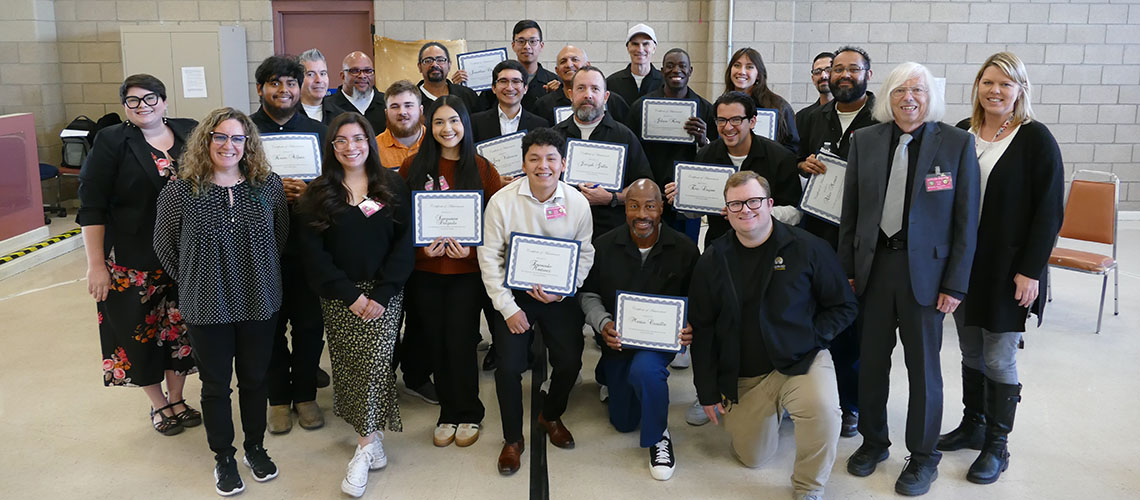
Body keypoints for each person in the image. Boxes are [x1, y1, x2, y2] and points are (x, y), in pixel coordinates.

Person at [838, 62, 979, 497]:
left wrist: (955, 284)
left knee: (924, 371)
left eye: (916, 90)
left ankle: (922, 457)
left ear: (929, 96)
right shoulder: (866, 141)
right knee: (872, 364)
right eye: (899, 90)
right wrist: (847, 270)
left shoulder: (956, 144)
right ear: (888, 97)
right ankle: (874, 442)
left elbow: (966, 222)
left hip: (928, 278)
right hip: (874, 271)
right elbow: (852, 213)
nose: (908, 98)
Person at [690, 170, 858, 500]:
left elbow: (844, 306)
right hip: (745, 374)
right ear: (725, 210)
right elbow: (703, 328)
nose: (745, 210)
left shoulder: (809, 248)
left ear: (769, 204)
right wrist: (707, 391)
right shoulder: (712, 260)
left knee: (823, 410)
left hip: (801, 360)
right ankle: (775, 413)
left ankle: (809, 486)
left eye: (753, 201)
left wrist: (812, 336)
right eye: (735, 204)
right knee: (753, 458)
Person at [937, 52, 1064, 485]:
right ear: (977, 85)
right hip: (964, 266)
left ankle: (997, 444)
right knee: (970, 349)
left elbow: (1049, 212)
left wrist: (1031, 270)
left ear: (1020, 91)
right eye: (988, 82)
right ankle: (973, 424)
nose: (995, 90)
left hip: (1009, 268)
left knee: (999, 354)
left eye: (1006, 84)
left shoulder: (1035, 139)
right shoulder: (960, 133)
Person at [153, 108, 289, 496]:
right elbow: (164, 246)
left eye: (237, 138)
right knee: (215, 385)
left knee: (254, 379)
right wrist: (197, 281)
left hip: (259, 300)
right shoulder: (181, 189)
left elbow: (280, 239)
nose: (229, 146)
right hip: (206, 304)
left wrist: (254, 273)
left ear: (249, 144)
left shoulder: (268, 186)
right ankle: (224, 457)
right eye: (220, 137)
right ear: (206, 141)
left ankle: (255, 447)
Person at [295, 113, 413, 498]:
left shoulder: (391, 184)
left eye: (358, 138)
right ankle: (371, 439)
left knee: (377, 362)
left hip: (384, 295)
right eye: (341, 141)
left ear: (370, 142)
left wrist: (379, 295)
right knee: (350, 364)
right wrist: (351, 296)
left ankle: (363, 449)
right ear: (331, 147)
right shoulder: (318, 194)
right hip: (340, 295)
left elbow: (404, 243)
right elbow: (314, 255)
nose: (351, 147)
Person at [78, 74, 200, 436]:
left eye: (150, 98)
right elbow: (92, 206)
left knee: (180, 332)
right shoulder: (113, 141)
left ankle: (177, 398)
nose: (143, 106)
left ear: (163, 101)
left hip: (184, 260)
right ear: (125, 107)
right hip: (132, 261)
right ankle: (158, 404)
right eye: (133, 101)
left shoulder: (189, 132)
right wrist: (95, 265)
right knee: (139, 335)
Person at [477, 128, 595, 476]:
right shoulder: (502, 200)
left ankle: (550, 414)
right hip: (515, 298)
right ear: (524, 162)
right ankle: (512, 439)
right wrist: (508, 308)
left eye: (550, 159)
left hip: (560, 296)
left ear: (563, 163)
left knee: (570, 361)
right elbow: (489, 257)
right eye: (534, 158)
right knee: (509, 366)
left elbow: (585, 253)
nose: (542, 166)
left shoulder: (576, 202)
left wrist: (566, 288)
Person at [400, 96, 504, 449]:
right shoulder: (412, 167)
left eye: (455, 121)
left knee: (461, 341)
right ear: (430, 127)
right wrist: (420, 246)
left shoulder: (482, 168)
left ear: (466, 125)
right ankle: (447, 411)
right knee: (436, 341)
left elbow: (496, 224)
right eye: (440, 122)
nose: (448, 129)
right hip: (425, 270)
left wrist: (473, 249)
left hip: (466, 272)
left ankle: (469, 412)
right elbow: (400, 222)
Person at [580, 179, 699, 480]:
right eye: (634, 206)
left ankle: (659, 436)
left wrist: (690, 325)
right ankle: (608, 373)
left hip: (660, 343)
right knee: (623, 422)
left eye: (649, 206)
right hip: (619, 340)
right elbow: (588, 294)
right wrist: (602, 323)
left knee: (645, 371)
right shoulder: (604, 246)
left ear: (661, 208)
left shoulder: (684, 249)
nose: (641, 214)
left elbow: (699, 299)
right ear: (625, 208)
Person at [795, 45, 879, 439]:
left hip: (862, 242)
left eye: (851, 69)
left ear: (868, 74)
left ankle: (852, 406)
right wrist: (801, 163)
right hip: (817, 235)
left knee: (852, 326)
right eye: (837, 69)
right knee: (813, 316)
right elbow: (793, 158)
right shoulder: (811, 117)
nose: (843, 75)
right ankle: (808, 397)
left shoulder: (884, 120)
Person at [248, 55, 331, 435]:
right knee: (268, 325)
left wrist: (310, 190)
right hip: (258, 246)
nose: (284, 91)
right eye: (274, 83)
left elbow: (335, 185)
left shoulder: (318, 130)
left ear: (300, 89)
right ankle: (278, 399)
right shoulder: (244, 130)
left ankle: (305, 396)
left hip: (308, 244)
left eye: (290, 84)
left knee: (310, 324)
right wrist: (266, 190)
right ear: (261, 88)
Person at [665, 91, 800, 245]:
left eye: (736, 120)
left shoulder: (780, 157)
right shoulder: (706, 155)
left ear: (752, 121)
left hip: (768, 244)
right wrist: (682, 198)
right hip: (720, 245)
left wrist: (755, 213)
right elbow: (696, 213)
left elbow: (795, 214)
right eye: (721, 120)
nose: (728, 127)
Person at [624, 47, 716, 242]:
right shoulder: (641, 107)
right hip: (649, 192)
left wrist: (703, 141)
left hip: (687, 198)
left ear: (691, 70)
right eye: (670, 66)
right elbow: (630, 151)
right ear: (662, 70)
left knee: (685, 252)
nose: (676, 70)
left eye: (682, 66)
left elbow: (715, 158)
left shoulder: (705, 109)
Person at [552, 65, 654, 238]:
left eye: (595, 89)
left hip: (610, 232)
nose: (588, 95)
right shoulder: (554, 137)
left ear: (606, 97)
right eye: (581, 88)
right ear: (570, 94)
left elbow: (645, 187)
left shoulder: (623, 136)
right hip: (562, 229)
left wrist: (612, 197)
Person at [467, 20, 558, 112]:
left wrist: (555, 96)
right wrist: (461, 86)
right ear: (513, 45)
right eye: (521, 41)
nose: (527, 46)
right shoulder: (497, 79)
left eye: (532, 41)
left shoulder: (553, 83)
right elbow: (479, 112)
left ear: (541, 45)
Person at [724, 47, 799, 152]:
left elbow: (792, 147)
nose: (741, 71)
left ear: (758, 74)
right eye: (737, 65)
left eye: (749, 67)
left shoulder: (779, 106)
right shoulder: (722, 106)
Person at [533, 45, 631, 125]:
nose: (569, 65)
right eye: (563, 61)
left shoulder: (613, 101)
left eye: (575, 59)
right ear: (557, 71)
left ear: (587, 65)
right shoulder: (544, 105)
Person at [471, 59, 550, 144]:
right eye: (503, 81)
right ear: (494, 88)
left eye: (516, 81)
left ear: (525, 88)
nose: (509, 88)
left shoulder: (540, 125)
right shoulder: (476, 122)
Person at [324, 51, 387, 133]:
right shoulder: (327, 107)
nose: (362, 76)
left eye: (368, 71)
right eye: (355, 71)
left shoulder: (388, 104)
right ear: (343, 76)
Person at [416, 42, 485, 114]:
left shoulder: (467, 95)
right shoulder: (412, 99)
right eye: (428, 61)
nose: (434, 64)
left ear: (449, 65)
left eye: (440, 60)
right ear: (419, 67)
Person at [606, 24, 663, 106]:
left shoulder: (664, 83)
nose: (640, 49)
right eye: (635, 44)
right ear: (628, 48)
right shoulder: (611, 83)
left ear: (654, 48)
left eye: (645, 44)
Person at [376, 80, 426, 169]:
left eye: (408, 105)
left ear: (420, 110)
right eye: (395, 107)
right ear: (386, 113)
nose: (402, 112)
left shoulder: (437, 141)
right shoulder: (373, 148)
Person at [794, 51, 833, 134]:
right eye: (817, 72)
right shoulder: (802, 117)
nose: (823, 75)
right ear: (813, 79)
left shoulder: (848, 113)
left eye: (828, 70)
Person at [299, 48, 337, 124]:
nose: (319, 80)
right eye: (311, 74)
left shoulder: (339, 116)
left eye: (323, 74)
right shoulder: (287, 115)